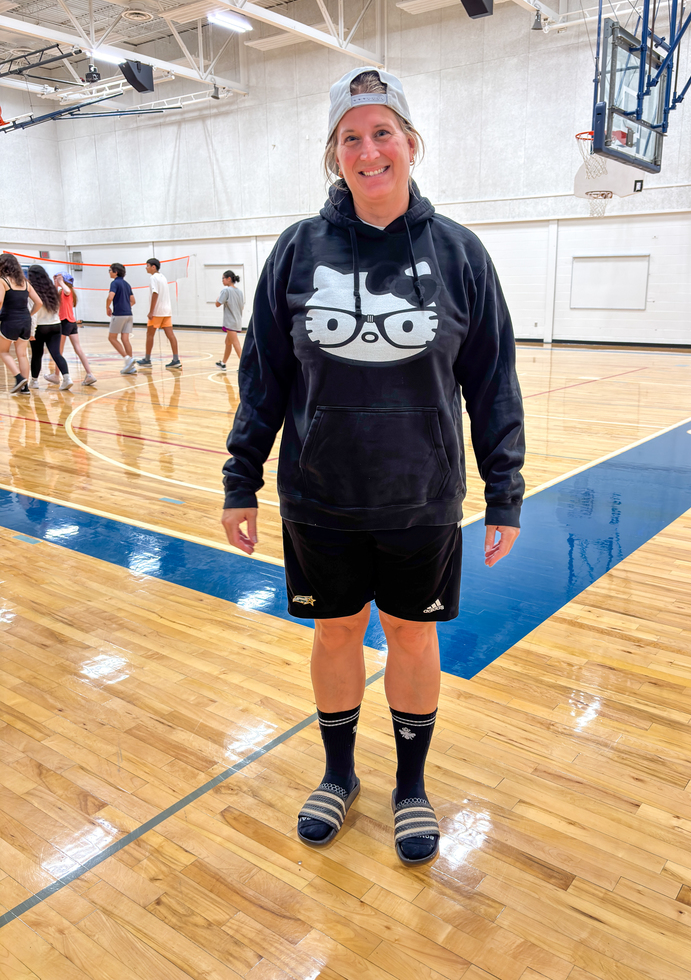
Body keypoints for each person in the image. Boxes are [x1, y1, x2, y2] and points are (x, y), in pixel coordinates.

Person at [221, 68, 524, 868]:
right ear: (335, 157)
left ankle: (412, 788)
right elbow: (264, 376)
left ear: (412, 144)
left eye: (382, 132)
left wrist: (505, 492)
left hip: (421, 496)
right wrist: (239, 477)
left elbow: (493, 379)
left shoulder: (459, 251)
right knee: (334, 636)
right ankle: (339, 775)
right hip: (321, 496)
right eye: (350, 139)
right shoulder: (296, 249)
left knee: (415, 643)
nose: (368, 151)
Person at [0, 253, 42, 394]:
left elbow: (0, 301)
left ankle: (19, 378)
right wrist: (28, 315)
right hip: (25, 321)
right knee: (22, 355)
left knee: (3, 351)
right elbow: (39, 303)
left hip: (10, 320)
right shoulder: (25, 283)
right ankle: (25, 388)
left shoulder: (3, 281)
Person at [45, 272, 97, 386]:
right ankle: (89, 374)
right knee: (77, 349)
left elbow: (66, 290)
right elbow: (53, 295)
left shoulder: (67, 292)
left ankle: (57, 375)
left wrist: (60, 282)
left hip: (65, 322)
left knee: (59, 351)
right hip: (72, 322)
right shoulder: (63, 292)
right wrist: (56, 282)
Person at [27, 264, 73, 391]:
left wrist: (31, 332)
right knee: (56, 353)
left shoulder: (32, 290)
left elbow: (33, 314)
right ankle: (67, 378)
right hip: (55, 325)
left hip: (39, 327)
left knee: (37, 354)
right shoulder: (52, 289)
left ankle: (34, 381)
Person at [136, 258, 181, 369]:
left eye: (147, 265)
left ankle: (147, 359)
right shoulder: (163, 277)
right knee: (171, 335)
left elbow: (155, 293)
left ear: (153, 267)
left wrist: (151, 311)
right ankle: (176, 359)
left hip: (157, 312)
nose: (146, 268)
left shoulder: (153, 278)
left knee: (150, 334)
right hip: (167, 311)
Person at [106, 263, 137, 375]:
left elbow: (110, 296)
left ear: (116, 272)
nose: (109, 272)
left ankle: (127, 358)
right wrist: (126, 306)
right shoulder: (127, 284)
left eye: (110, 270)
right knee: (125, 339)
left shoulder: (114, 283)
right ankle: (130, 367)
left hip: (119, 314)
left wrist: (107, 307)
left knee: (112, 338)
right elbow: (133, 301)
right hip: (129, 314)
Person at [215, 270, 245, 371]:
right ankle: (223, 363)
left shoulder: (226, 291)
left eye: (223, 278)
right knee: (228, 342)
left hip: (230, 322)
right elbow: (242, 307)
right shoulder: (239, 292)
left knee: (235, 343)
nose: (222, 280)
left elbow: (218, 303)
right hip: (237, 320)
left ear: (229, 279)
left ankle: (244, 365)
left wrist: (217, 298)